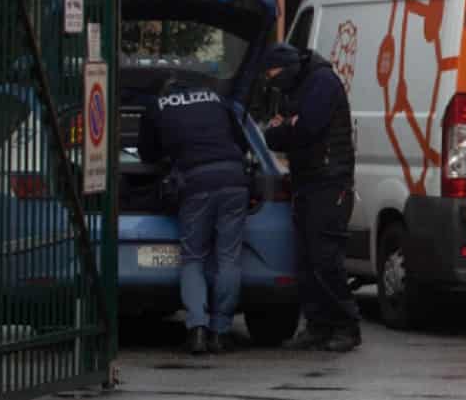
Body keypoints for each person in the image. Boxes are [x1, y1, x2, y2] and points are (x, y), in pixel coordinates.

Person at [138, 75, 251, 355]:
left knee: (193, 258)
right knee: (228, 257)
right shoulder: (218, 100)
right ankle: (220, 332)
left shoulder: (158, 106)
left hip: (195, 183)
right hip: (234, 180)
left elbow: (147, 154)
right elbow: (243, 144)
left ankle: (197, 329)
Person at [261, 42, 360, 353]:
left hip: (330, 182)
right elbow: (278, 131)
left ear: (288, 68)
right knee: (307, 260)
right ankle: (318, 326)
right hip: (309, 181)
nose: (274, 84)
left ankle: (346, 326)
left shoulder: (321, 83)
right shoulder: (301, 85)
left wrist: (288, 126)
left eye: (275, 76)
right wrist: (287, 126)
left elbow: (306, 129)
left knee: (325, 258)